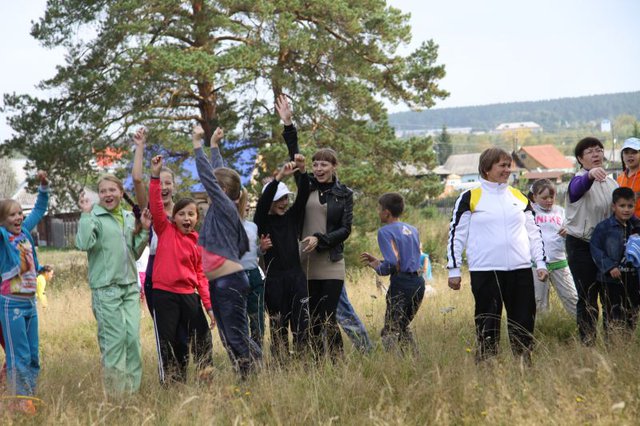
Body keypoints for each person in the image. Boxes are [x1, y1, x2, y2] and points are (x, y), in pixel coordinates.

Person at [276, 94, 370, 357]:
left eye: (324, 164)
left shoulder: (344, 194)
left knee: (328, 319)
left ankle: (337, 362)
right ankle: (319, 365)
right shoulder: (305, 185)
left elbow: (345, 230)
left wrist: (320, 238)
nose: (318, 168)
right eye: (315, 164)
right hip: (304, 262)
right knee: (314, 321)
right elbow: (294, 155)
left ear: (334, 167)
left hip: (330, 262)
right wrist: (288, 124)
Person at [447, 147, 547, 362]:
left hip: (520, 269)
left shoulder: (519, 196)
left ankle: (524, 363)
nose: (507, 170)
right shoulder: (469, 197)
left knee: (523, 320)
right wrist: (453, 270)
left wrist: (540, 262)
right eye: (502, 165)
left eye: (509, 165)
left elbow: (534, 232)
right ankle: (487, 364)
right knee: (488, 322)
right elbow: (456, 235)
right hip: (486, 270)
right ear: (486, 168)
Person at [192, 125, 261, 377]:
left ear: (221, 191)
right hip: (220, 283)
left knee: (235, 336)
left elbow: (210, 178)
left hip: (229, 282)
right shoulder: (221, 207)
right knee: (228, 337)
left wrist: (197, 145)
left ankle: (253, 375)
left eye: (214, 187)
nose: (207, 189)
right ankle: (250, 373)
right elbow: (218, 175)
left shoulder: (225, 206)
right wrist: (214, 146)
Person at [76, 174, 150, 395]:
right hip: (106, 289)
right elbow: (83, 243)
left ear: (121, 192)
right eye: (103, 191)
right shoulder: (94, 216)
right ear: (99, 195)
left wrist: (145, 229)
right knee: (114, 342)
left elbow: (134, 253)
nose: (108, 194)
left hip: (130, 288)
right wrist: (85, 214)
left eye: (112, 190)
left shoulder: (128, 217)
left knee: (132, 340)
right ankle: (117, 397)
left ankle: (132, 393)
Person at [148, 154, 214, 384]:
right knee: (170, 342)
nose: (186, 218)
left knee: (202, 338)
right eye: (181, 214)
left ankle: (206, 379)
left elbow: (201, 276)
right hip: (164, 295)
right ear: (173, 217)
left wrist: (209, 307)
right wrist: (155, 175)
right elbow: (156, 204)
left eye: (191, 214)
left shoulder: (197, 242)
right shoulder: (164, 229)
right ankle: (171, 383)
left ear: (197, 218)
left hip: (188, 295)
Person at [0, 170, 49, 415]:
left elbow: (39, 210)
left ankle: (27, 396)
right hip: (11, 304)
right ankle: (19, 401)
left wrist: (43, 186)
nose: (18, 217)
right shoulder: (3, 238)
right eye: (12, 214)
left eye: (19, 213)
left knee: (32, 355)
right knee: (18, 355)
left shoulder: (25, 232)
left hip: (30, 304)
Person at [254, 159, 310, 360]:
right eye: (279, 199)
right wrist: (278, 178)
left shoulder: (291, 217)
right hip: (274, 281)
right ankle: (281, 363)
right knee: (278, 325)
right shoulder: (262, 222)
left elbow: (303, 195)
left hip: (296, 277)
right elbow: (262, 204)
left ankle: (303, 360)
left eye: (286, 198)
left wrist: (302, 171)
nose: (284, 203)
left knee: (302, 323)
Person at [565, 137, 618, 345]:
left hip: (607, 247)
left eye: (598, 150)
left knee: (611, 296)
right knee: (588, 297)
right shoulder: (578, 180)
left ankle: (613, 343)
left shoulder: (611, 182)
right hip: (582, 246)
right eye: (589, 152)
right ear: (580, 159)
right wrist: (590, 175)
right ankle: (588, 345)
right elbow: (578, 188)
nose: (596, 154)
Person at [361, 193, 425, 352]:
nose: (378, 212)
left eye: (379, 209)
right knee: (402, 324)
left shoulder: (385, 232)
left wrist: (377, 267)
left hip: (401, 284)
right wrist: (379, 261)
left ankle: (392, 362)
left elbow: (391, 264)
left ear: (387, 212)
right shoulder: (413, 230)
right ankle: (413, 358)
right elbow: (407, 259)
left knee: (390, 329)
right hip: (419, 283)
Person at [131, 127, 176, 314]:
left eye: (168, 183)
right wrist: (140, 146)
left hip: (180, 271)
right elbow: (137, 179)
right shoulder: (149, 210)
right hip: (156, 270)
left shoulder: (183, 212)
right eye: (160, 183)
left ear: (174, 186)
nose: (163, 187)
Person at [590, 187, 640, 337]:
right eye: (622, 206)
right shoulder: (604, 227)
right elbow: (595, 249)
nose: (626, 210)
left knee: (632, 313)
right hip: (611, 280)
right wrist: (610, 266)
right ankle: (612, 344)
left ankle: (627, 343)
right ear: (613, 207)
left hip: (633, 278)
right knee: (613, 314)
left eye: (630, 206)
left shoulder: (636, 226)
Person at [530, 179, 578, 317]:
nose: (549, 200)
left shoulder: (561, 212)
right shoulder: (530, 212)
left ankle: (582, 325)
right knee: (539, 302)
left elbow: (572, 229)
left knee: (571, 297)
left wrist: (568, 230)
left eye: (552, 197)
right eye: (544, 198)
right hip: (537, 265)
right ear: (535, 197)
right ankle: (544, 327)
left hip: (560, 262)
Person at [617, 137, 640, 217]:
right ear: (622, 156)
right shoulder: (620, 178)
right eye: (626, 153)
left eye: (634, 152)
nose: (630, 156)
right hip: (623, 222)